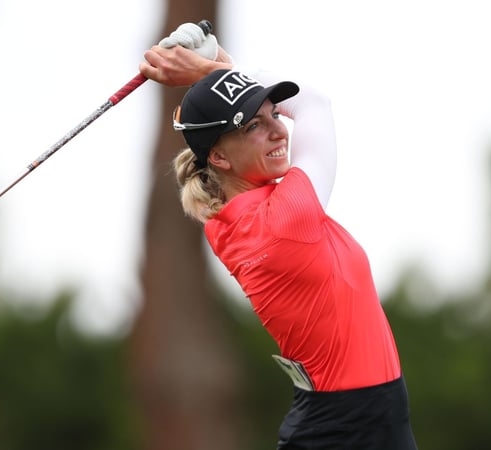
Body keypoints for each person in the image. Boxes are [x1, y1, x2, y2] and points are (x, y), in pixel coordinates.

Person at [139, 23, 418, 449]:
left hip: (353, 417)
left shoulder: (235, 214)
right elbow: (315, 105)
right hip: (348, 427)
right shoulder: (285, 221)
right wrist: (209, 72)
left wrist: (220, 72)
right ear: (218, 156)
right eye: (254, 124)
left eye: (274, 114)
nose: (279, 130)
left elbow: (298, 112)